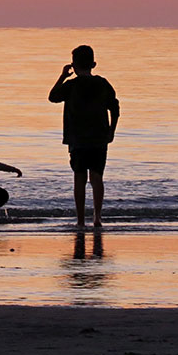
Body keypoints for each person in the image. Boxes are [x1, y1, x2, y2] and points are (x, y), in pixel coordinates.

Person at [48, 45, 119, 228]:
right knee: (97, 177)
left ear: (73, 65)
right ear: (93, 64)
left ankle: (80, 220)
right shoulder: (103, 84)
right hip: (98, 138)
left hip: (77, 139)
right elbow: (115, 107)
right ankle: (97, 217)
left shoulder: (71, 85)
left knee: (79, 178)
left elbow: (53, 97)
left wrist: (63, 76)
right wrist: (111, 130)